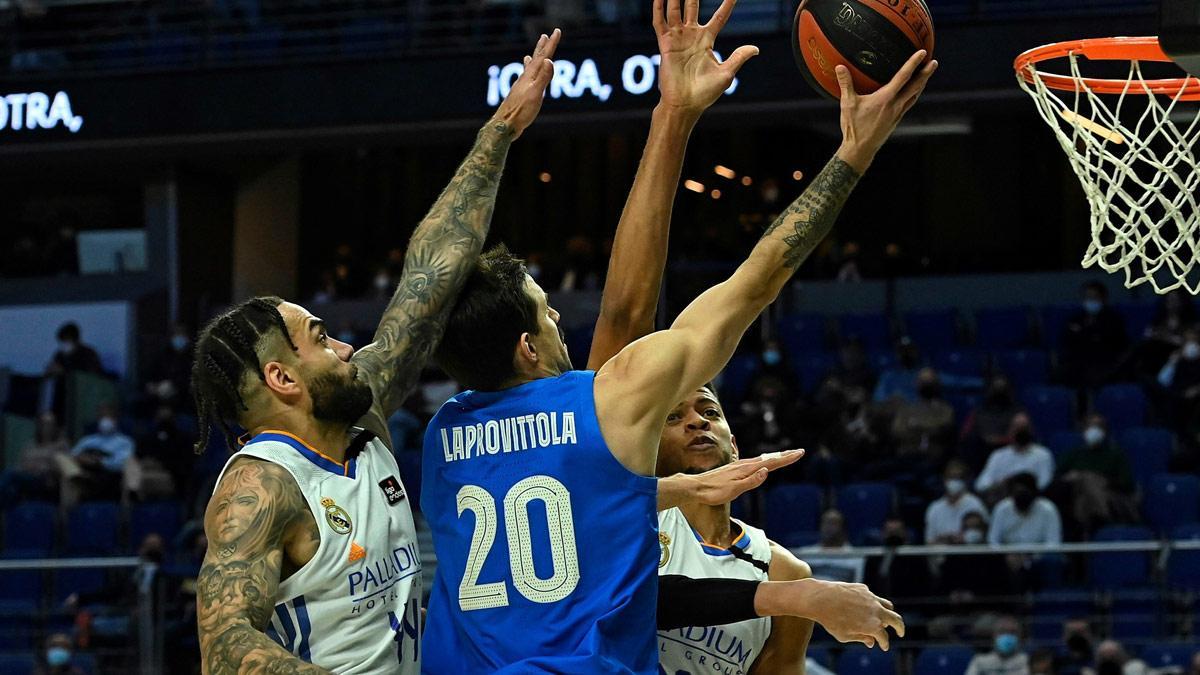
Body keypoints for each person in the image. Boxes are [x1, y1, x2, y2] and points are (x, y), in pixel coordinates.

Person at [422, 4, 934, 667]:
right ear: (525, 345)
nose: (559, 325)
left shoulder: (442, 437)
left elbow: (619, 333)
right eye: (547, 315)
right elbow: (750, 281)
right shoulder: (592, 414)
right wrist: (853, 152)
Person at [191, 33, 563, 675]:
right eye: (319, 338)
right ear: (281, 378)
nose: (343, 346)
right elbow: (225, 648)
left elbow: (428, 281)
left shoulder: (357, 419)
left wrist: (499, 131)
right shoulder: (262, 484)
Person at [654, 385, 815, 673]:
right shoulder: (633, 527)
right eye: (674, 417)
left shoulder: (784, 573)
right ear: (649, 448)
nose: (698, 421)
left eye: (710, 412)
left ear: (735, 448)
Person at [1054, 414, 1137, 536]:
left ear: (1105, 431)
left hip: (1110, 498)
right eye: (1090, 426)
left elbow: (1127, 483)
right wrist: (1073, 478)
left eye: (1098, 426)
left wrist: (1100, 480)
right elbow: (1058, 477)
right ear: (1083, 430)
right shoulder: (1075, 454)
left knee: (1088, 481)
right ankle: (1099, 520)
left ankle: (1090, 529)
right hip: (1077, 497)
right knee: (1083, 488)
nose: (1094, 430)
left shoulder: (1115, 455)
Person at [58, 402, 134, 505]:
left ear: (115, 419)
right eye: (102, 416)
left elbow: (122, 463)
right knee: (60, 458)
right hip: (84, 474)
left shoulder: (125, 442)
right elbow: (72, 455)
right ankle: (79, 479)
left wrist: (98, 462)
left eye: (108, 416)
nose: (105, 420)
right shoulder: (87, 440)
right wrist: (79, 458)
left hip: (108, 477)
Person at [1059, 281, 1129, 388]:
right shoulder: (1075, 320)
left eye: (1094, 297)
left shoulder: (1114, 320)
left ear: (1103, 299)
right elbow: (1068, 342)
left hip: (1106, 365)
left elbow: (1115, 344)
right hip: (1078, 365)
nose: (1090, 300)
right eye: (1087, 297)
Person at [975, 413, 1055, 502]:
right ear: (1010, 431)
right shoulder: (998, 455)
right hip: (1001, 499)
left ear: (1031, 430)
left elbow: (1045, 483)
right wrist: (999, 485)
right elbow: (981, 484)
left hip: (1031, 501)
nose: (1020, 432)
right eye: (1017, 428)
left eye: (1024, 428)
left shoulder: (1043, 455)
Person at [0, 411, 69, 503]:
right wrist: (27, 467)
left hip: (44, 480)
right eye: (44, 424)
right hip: (27, 476)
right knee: (10, 487)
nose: (46, 427)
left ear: (55, 426)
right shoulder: (31, 444)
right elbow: (22, 463)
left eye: (50, 424)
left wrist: (42, 467)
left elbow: (63, 466)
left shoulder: (61, 445)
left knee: (9, 474)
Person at [889, 367, 955, 464]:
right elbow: (898, 430)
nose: (925, 384)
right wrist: (925, 429)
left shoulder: (946, 410)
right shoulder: (907, 409)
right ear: (917, 383)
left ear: (936, 383)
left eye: (929, 381)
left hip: (934, 458)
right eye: (922, 380)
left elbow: (942, 429)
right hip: (906, 456)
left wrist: (915, 427)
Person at [925, 460, 988, 544]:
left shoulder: (975, 504)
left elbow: (983, 535)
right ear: (944, 479)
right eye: (951, 477)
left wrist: (962, 539)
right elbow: (929, 541)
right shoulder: (934, 508)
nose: (954, 482)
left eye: (958, 478)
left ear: (965, 480)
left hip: (967, 554)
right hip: (942, 553)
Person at [965, 615, 1030, 675]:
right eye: (1002, 631)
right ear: (994, 635)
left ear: (1020, 636)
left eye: (1012, 632)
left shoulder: (1027, 662)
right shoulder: (980, 661)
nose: (1007, 636)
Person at [1084, 639, 1150, 675]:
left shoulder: (1135, 668)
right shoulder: (1089, 672)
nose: (1108, 657)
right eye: (1104, 654)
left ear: (1121, 654)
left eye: (1112, 654)